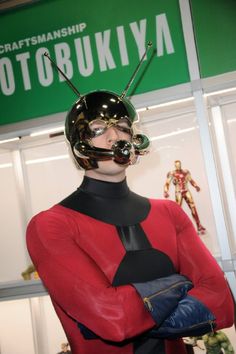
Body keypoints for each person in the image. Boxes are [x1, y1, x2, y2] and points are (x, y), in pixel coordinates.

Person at [26, 89, 234, 354]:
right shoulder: (50, 226)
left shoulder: (170, 213)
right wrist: (183, 284)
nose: (115, 136)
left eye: (123, 127)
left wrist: (140, 310)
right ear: (78, 141)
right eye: (98, 128)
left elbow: (222, 303)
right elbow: (113, 319)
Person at [164, 160, 206, 234]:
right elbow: (167, 183)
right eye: (177, 165)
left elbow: (190, 180)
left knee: (193, 207)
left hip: (186, 190)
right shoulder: (172, 173)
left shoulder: (185, 171)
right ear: (175, 166)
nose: (178, 166)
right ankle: (177, 228)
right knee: (178, 209)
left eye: (179, 165)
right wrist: (166, 191)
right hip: (178, 192)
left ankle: (199, 225)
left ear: (180, 164)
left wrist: (196, 186)